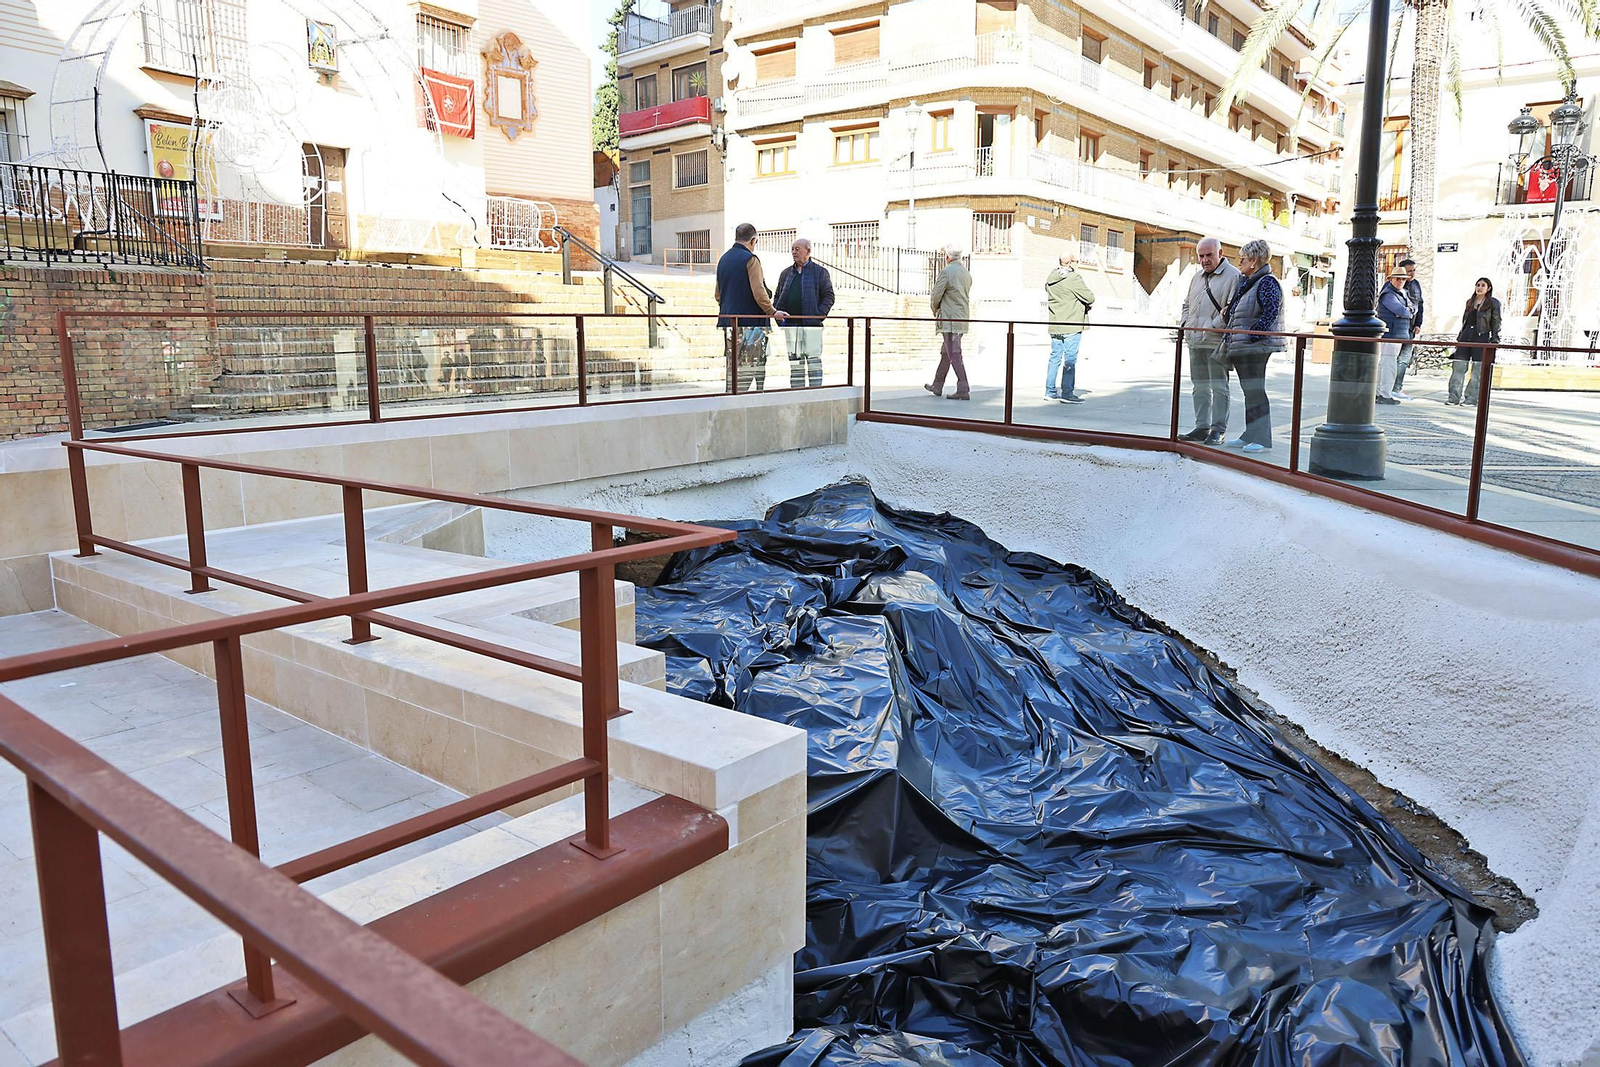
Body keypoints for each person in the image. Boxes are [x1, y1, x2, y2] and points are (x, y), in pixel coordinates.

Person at [1219, 239, 1283, 453]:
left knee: (1256, 391)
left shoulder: (1266, 282)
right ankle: (1251, 434)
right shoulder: (1249, 282)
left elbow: (1270, 313)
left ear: (1254, 261)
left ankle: (1262, 439)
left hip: (1255, 347)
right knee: (1250, 391)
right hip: (1244, 346)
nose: (1240, 263)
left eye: (1243, 259)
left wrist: (1250, 335)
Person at [1177, 237, 1241, 442]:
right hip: (1194, 341)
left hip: (1215, 342)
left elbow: (1231, 310)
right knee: (1200, 386)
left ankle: (1218, 429)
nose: (1204, 260)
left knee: (1219, 386)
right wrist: (1186, 325)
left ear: (1220, 254)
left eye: (1209, 255)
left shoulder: (1233, 276)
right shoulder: (1197, 277)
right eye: (1201, 256)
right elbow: (1186, 304)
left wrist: (1209, 327)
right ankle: (1201, 426)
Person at [716, 222, 787, 392]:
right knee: (752, 365)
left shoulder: (723, 259)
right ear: (753, 240)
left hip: (729, 323)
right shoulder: (751, 259)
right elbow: (758, 291)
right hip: (750, 324)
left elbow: (718, 294)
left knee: (732, 366)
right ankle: (749, 400)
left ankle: (731, 398)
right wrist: (772, 312)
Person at [772, 238, 835, 389]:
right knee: (795, 365)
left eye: (797, 249)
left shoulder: (820, 273)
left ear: (808, 251)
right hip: (791, 327)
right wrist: (779, 316)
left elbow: (829, 296)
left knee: (813, 363)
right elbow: (777, 296)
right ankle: (797, 393)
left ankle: (815, 394)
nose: (794, 252)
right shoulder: (786, 273)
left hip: (811, 327)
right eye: (792, 249)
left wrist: (818, 315)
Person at [1044, 251, 1096, 403]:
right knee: (1070, 359)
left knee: (1054, 358)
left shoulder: (1051, 279)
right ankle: (1067, 393)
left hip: (1055, 325)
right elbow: (1090, 297)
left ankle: (1050, 391)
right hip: (1071, 324)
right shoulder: (1073, 278)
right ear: (1071, 263)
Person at [925, 245, 973, 400]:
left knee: (954, 353)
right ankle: (937, 385)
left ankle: (963, 388)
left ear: (947, 257)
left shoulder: (946, 272)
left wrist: (935, 310)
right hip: (961, 316)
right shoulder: (966, 273)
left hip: (950, 318)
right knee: (947, 352)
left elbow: (936, 295)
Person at [1448, 277, 1502, 406]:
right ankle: (1453, 397)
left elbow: (1496, 321)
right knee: (1458, 367)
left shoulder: (1493, 303)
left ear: (1488, 288)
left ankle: (1471, 399)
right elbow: (1465, 321)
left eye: (1483, 285)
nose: (1479, 287)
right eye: (1478, 285)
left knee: (1477, 370)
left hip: (1481, 336)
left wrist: (1494, 338)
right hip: (1466, 336)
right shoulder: (1470, 302)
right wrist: (1459, 338)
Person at [1375, 267, 1415, 405]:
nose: (1401, 281)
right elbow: (1402, 311)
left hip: (1396, 334)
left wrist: (1406, 311)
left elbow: (1412, 308)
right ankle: (1384, 394)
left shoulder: (1401, 293)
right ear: (1391, 279)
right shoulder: (1389, 294)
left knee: (1385, 364)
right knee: (1388, 365)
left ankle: (1380, 392)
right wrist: (1406, 312)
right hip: (1391, 334)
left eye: (1403, 279)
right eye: (1398, 278)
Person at [1393, 258, 1424, 399]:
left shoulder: (1416, 285)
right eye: (1409, 271)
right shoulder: (1395, 286)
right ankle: (1388, 386)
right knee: (1391, 358)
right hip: (1397, 328)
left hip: (1410, 329)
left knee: (1404, 359)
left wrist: (1418, 324)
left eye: (1414, 270)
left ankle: (1397, 387)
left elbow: (1420, 305)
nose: (1412, 273)